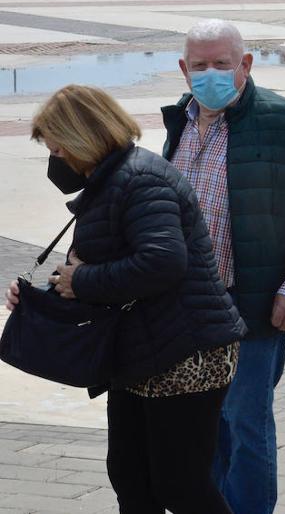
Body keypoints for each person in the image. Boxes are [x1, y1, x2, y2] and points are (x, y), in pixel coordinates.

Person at [8, 85, 246, 513]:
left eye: (57, 148)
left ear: (82, 136)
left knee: (181, 486)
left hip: (186, 352)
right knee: (130, 477)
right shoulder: (110, 180)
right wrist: (45, 296)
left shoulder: (140, 179)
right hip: (142, 351)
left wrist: (81, 283)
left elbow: (162, 262)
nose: (54, 158)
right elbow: (99, 269)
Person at [164, 19, 285, 514]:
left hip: (252, 307)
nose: (210, 75)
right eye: (199, 66)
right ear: (184, 70)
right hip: (188, 313)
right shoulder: (177, 123)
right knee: (202, 429)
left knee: (245, 426)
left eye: (222, 64)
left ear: (245, 64)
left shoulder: (283, 121)